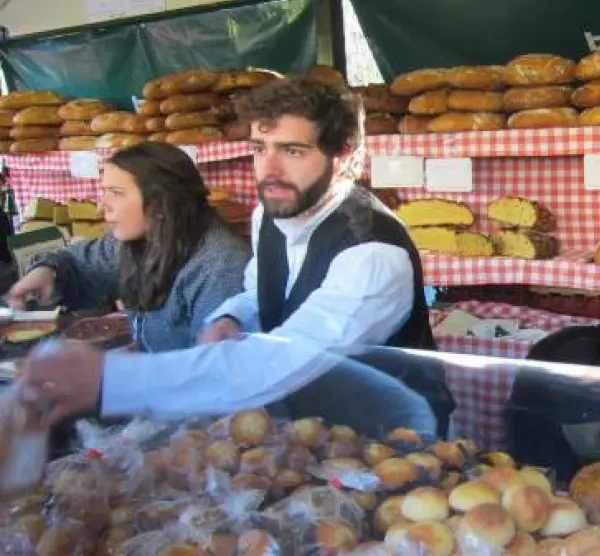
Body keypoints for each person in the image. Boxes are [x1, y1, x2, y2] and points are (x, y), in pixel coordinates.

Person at [18, 78, 446, 435]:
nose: (268, 170)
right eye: (260, 148)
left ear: (343, 156)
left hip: (396, 438)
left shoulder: (372, 254)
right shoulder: (271, 214)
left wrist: (111, 381)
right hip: (318, 427)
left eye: (292, 151)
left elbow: (286, 360)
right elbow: (261, 291)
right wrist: (233, 317)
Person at [5, 142, 250, 352]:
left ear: (162, 203)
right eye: (104, 192)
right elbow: (83, 264)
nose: (102, 207)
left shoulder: (220, 266)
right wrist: (49, 271)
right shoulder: (141, 240)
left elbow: (212, 368)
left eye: (116, 193)